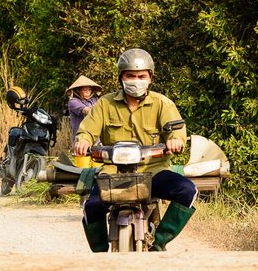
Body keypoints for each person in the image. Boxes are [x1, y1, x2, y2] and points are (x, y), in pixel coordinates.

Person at [74, 48, 197, 252]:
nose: (136, 80)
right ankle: (100, 255)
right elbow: (86, 130)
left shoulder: (162, 104)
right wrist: (83, 141)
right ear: (121, 77)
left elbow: (176, 129)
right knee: (91, 206)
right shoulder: (104, 104)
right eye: (130, 75)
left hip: (154, 171)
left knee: (188, 191)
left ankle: (159, 242)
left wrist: (175, 140)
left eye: (141, 76)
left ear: (150, 78)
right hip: (113, 174)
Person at [65, 75, 102, 144]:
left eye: (89, 90)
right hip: (81, 139)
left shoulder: (95, 100)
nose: (88, 92)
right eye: (85, 90)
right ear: (79, 91)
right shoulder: (73, 102)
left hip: (96, 139)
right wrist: (99, 112)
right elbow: (86, 110)